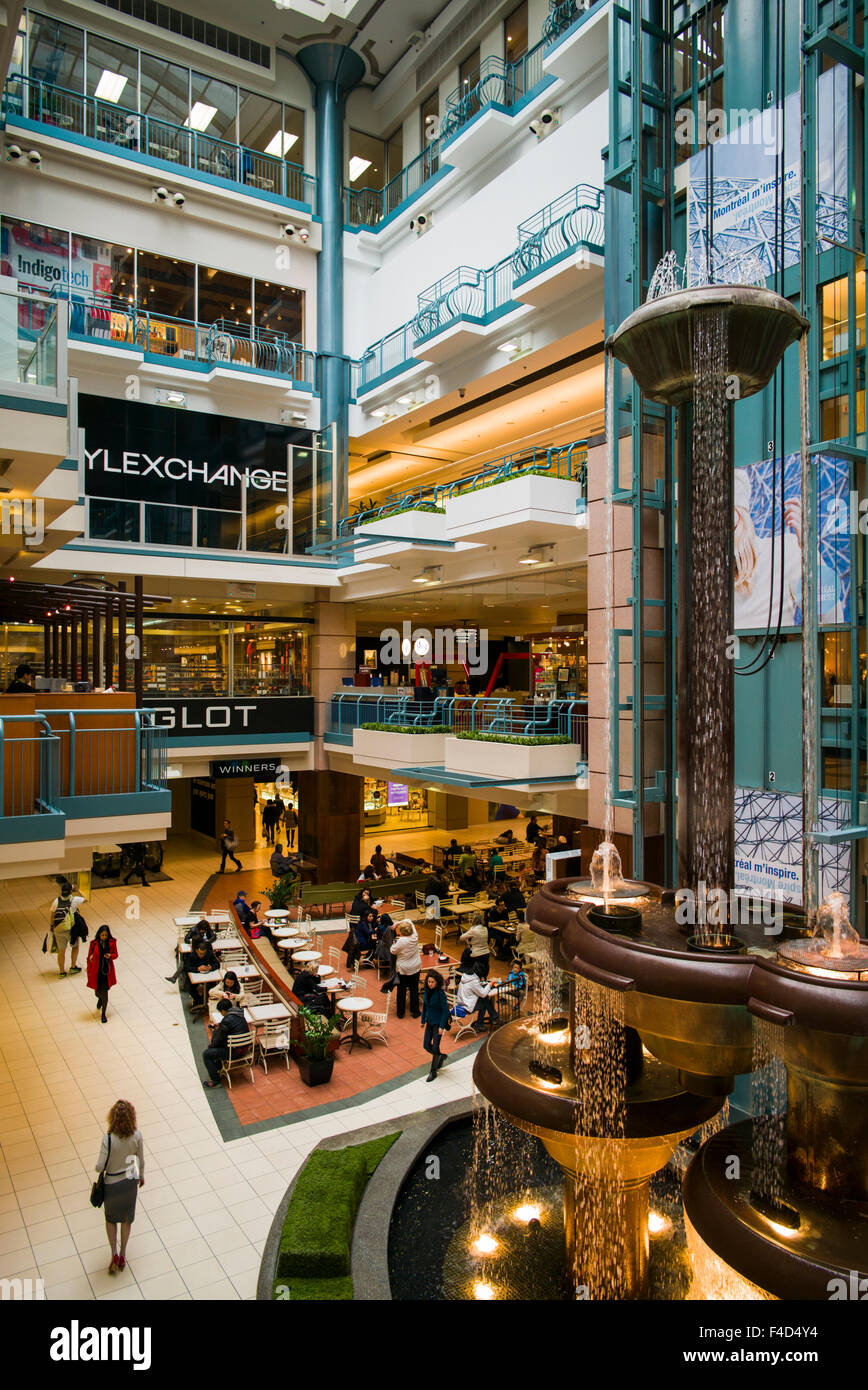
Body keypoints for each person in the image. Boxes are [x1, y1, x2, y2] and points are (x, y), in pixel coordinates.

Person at [95, 1099, 144, 1275]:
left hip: (112, 1184)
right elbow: (140, 1159)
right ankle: (123, 1254)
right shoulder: (137, 1135)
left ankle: (114, 1254)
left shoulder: (108, 1139)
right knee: (126, 1219)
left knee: (111, 1219)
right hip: (130, 1182)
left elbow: (99, 1167)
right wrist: (141, 1176)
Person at [202, 998, 249, 1087]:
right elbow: (231, 1027)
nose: (221, 1014)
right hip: (245, 1048)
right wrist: (220, 1027)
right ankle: (218, 1065)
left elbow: (219, 1039)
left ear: (223, 1010)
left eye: (221, 1012)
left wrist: (210, 1047)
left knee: (207, 1054)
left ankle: (215, 1080)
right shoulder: (239, 1014)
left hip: (235, 1052)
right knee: (216, 1033)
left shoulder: (227, 1020)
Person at [49, 880, 85, 978]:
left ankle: (61, 972)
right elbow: (85, 899)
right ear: (70, 891)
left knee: (61, 950)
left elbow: (52, 916)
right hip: (71, 929)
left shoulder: (56, 901)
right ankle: (73, 967)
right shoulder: (75, 899)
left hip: (58, 929)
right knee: (75, 946)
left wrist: (52, 927)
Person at [421, 970, 450, 1081]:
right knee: (426, 1045)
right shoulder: (427, 992)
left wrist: (441, 1026)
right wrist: (423, 1021)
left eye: (432, 982)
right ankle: (440, 1056)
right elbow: (425, 1006)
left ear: (437, 982)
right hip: (429, 1022)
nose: (430, 984)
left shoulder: (440, 994)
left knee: (435, 1046)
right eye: (428, 981)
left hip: (438, 1023)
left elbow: (445, 1011)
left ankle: (433, 1071)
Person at [390, 919, 422, 1019]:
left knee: (401, 990)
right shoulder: (415, 936)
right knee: (414, 989)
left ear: (402, 932)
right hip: (415, 967)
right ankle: (415, 1011)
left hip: (403, 969)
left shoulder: (401, 941)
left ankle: (401, 1012)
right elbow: (409, 920)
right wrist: (399, 923)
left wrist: (393, 943)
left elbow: (393, 951)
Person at [87, 925, 118, 1023]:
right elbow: (89, 957)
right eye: (102, 935)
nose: (104, 937)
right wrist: (91, 960)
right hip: (97, 971)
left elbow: (116, 954)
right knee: (97, 992)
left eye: (106, 935)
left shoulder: (112, 943)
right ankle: (99, 998)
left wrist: (110, 956)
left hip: (106, 971)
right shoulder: (94, 944)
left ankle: (103, 1014)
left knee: (105, 993)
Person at [185, 939, 219, 1007]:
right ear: (197, 950)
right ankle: (198, 1000)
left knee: (213, 985)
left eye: (203, 953)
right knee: (191, 986)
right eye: (200, 953)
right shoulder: (191, 956)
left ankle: (205, 1000)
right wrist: (197, 969)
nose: (202, 955)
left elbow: (217, 964)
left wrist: (210, 968)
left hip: (208, 975)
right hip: (195, 976)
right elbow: (187, 968)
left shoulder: (209, 954)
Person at [459, 913, 491, 978]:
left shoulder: (473, 930)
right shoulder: (485, 929)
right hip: (486, 953)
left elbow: (461, 938)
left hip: (477, 954)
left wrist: (470, 932)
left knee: (466, 960)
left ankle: (463, 973)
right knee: (484, 970)